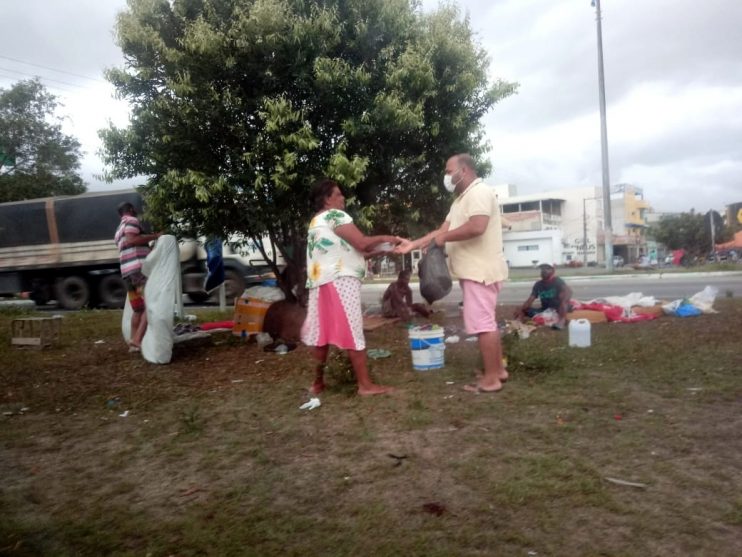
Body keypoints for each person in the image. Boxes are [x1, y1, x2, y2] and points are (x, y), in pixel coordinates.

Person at [395, 153, 509, 394]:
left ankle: (491, 380)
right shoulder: (460, 200)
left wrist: (444, 238)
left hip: (481, 271)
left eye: (449, 171)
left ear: (464, 171)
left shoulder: (478, 192)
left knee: (483, 325)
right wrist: (413, 245)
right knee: (487, 322)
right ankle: (497, 370)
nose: (446, 176)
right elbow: (441, 231)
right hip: (476, 271)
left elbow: (478, 226)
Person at [301, 178, 401, 396]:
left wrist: (384, 249)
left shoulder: (316, 222)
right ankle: (365, 385)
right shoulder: (336, 216)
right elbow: (362, 243)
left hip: (320, 282)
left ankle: (317, 384)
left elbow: (356, 252)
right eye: (338, 194)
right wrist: (388, 237)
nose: (343, 197)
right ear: (327, 199)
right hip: (340, 281)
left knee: (321, 334)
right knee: (353, 328)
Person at [114, 202, 161, 350]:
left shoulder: (118, 229)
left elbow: (131, 245)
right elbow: (132, 240)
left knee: (138, 309)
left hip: (127, 273)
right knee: (150, 305)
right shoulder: (132, 221)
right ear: (131, 210)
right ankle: (138, 339)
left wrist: (149, 247)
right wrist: (155, 236)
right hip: (138, 271)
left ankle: (132, 343)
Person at [514, 263, 573, 329]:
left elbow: (569, 292)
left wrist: (564, 299)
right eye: (542, 269)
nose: (544, 270)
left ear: (553, 271)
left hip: (559, 309)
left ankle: (561, 321)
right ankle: (518, 322)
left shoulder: (557, 281)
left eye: (547, 268)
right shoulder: (538, 284)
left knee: (564, 300)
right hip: (545, 310)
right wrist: (521, 309)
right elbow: (530, 300)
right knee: (524, 308)